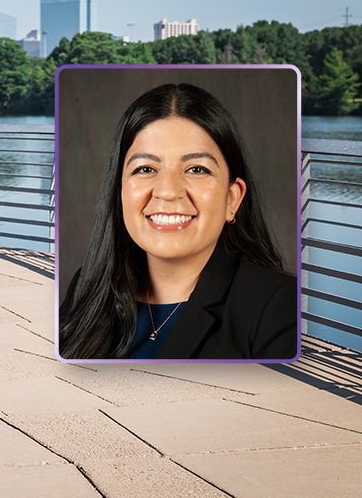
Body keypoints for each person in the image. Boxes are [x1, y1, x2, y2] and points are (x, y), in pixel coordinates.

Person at [59, 83, 297, 360]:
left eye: (196, 169)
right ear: (119, 191)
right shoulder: (87, 289)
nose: (168, 192)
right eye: (146, 169)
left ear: (233, 198)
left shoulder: (278, 307)